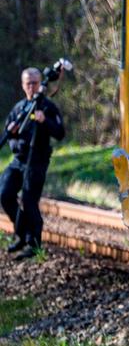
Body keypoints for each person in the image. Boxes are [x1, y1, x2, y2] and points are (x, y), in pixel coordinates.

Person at [2, 67, 66, 259]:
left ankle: (35, 245)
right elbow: (8, 134)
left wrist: (44, 121)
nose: (31, 86)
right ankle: (23, 235)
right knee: (4, 194)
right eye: (28, 83)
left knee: (29, 201)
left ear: (41, 84)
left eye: (35, 83)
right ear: (23, 85)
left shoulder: (47, 107)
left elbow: (60, 133)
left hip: (37, 162)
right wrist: (12, 135)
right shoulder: (19, 108)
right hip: (18, 160)